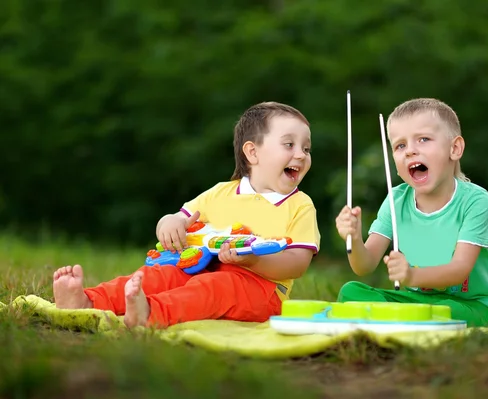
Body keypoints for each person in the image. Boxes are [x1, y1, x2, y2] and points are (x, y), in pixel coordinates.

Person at [52, 101, 320, 329]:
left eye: (306, 149)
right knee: (159, 275)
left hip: (261, 289)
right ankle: (87, 301)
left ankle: (150, 314)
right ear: (252, 152)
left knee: (213, 288)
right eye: (289, 144)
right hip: (200, 270)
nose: (301, 155)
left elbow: (297, 263)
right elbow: (180, 217)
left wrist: (253, 262)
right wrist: (169, 223)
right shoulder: (220, 192)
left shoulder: (300, 205)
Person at [335, 98, 488, 327]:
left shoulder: (475, 201)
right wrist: (355, 239)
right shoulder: (396, 200)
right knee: (351, 292)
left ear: (454, 148)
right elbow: (364, 265)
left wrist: (411, 276)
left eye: (423, 139)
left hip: (471, 305)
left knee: (443, 312)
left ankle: (396, 320)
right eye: (400, 145)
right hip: (418, 302)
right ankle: (403, 320)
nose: (410, 151)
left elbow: (459, 270)